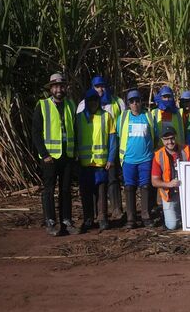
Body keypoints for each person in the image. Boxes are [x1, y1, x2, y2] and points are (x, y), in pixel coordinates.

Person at [32, 73, 78, 236]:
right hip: (50, 157)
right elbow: (36, 133)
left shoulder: (71, 105)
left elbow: (75, 129)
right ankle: (50, 222)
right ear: (51, 89)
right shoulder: (43, 105)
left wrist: (75, 153)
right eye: (56, 86)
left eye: (61, 86)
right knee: (49, 190)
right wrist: (44, 154)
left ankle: (66, 221)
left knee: (66, 190)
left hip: (67, 155)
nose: (59, 89)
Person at [76, 75, 126, 221]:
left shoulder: (117, 102)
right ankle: (95, 215)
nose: (100, 89)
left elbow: (124, 121)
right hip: (91, 156)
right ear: (93, 88)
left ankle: (116, 209)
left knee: (113, 180)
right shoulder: (82, 106)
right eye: (97, 86)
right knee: (95, 185)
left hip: (112, 147)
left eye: (102, 86)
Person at [117, 89, 155, 229]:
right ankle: (131, 218)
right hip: (128, 159)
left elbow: (154, 135)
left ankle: (146, 216)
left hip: (145, 158)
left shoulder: (148, 116)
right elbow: (118, 136)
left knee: (145, 186)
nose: (135, 104)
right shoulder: (123, 117)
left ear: (141, 102)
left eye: (137, 101)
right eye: (131, 101)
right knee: (129, 187)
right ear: (128, 104)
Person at [151, 126, 190, 230]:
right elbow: (154, 181)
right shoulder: (158, 155)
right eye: (166, 139)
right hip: (169, 195)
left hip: (187, 194)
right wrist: (169, 184)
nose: (170, 142)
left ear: (176, 137)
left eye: (172, 138)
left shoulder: (186, 150)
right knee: (172, 226)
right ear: (162, 140)